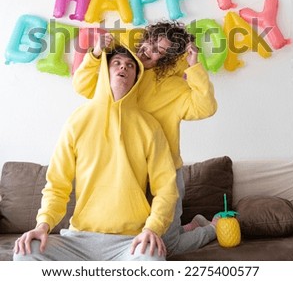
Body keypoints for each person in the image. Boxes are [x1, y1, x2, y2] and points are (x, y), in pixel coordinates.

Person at [14, 44, 178, 261]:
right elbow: (57, 185)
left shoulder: (150, 126)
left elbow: (166, 189)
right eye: (116, 63)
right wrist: (42, 226)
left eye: (130, 66)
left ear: (136, 77)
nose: (123, 68)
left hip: (129, 243)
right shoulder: (78, 120)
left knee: (152, 258)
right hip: (78, 240)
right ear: (105, 71)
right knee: (26, 253)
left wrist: (152, 229)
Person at [73, 21, 218, 256]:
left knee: (165, 247)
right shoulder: (126, 70)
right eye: (150, 43)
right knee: (138, 242)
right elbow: (82, 86)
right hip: (128, 172)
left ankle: (211, 228)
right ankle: (187, 228)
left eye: (159, 51)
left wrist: (195, 67)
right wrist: (97, 53)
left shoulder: (174, 87)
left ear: (169, 59)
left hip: (163, 175)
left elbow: (206, 107)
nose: (149, 51)